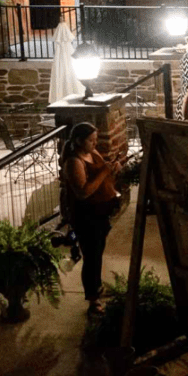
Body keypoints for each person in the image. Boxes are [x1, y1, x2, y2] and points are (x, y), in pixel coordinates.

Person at [61, 122, 121, 315]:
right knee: (92, 257)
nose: (95, 143)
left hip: (100, 212)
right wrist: (105, 172)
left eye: (96, 139)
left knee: (97, 252)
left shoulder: (92, 153)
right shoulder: (74, 162)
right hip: (86, 216)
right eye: (91, 140)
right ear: (79, 140)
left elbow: (102, 173)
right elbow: (83, 192)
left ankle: (97, 289)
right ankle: (93, 300)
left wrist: (114, 168)